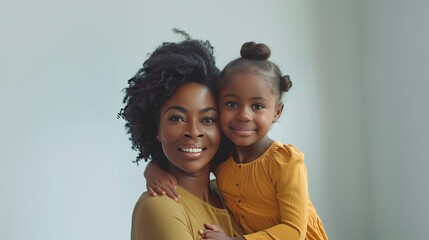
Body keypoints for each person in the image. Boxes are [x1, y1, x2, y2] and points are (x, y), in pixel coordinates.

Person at [145, 42, 329, 240]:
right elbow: (190, 156)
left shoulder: (284, 162)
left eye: (257, 106)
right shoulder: (224, 162)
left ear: (277, 112)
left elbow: (294, 232)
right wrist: (152, 169)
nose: (244, 115)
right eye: (232, 104)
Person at [118, 35, 244, 240]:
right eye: (177, 118)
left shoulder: (232, 194)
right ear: (156, 128)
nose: (193, 131)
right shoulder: (160, 206)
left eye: (208, 119)